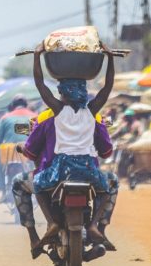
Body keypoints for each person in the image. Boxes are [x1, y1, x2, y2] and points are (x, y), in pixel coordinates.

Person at [32, 40, 115, 244]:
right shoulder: (92, 111)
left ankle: (52, 223)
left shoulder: (58, 110)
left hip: (62, 167)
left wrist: (37, 56)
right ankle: (94, 224)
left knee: (37, 185)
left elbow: (40, 84)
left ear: (63, 93)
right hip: (87, 167)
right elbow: (108, 87)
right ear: (83, 93)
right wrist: (110, 58)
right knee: (106, 191)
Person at [13, 108, 118, 259]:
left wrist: (22, 146)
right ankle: (98, 229)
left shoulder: (46, 117)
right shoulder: (93, 117)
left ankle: (34, 237)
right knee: (112, 181)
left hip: (53, 175)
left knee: (19, 183)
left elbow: (31, 152)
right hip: (88, 174)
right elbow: (106, 152)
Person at [0, 95, 36, 200]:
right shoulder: (35, 116)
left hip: (9, 155)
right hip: (30, 153)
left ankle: (3, 192)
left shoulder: (5, 118)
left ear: (12, 106)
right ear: (26, 105)